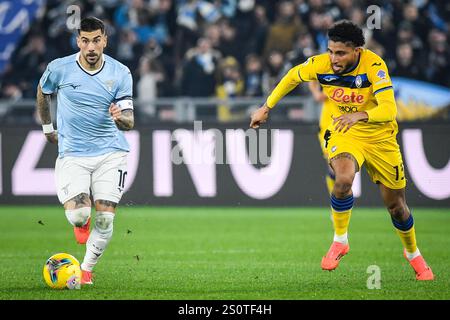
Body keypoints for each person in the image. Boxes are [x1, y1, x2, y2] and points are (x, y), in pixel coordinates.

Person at [250, 20, 433, 281]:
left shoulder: (374, 65)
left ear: (357, 50)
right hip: (345, 132)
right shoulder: (321, 64)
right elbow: (292, 76)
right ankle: (340, 240)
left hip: (380, 138)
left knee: (396, 206)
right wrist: (266, 107)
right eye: (331, 51)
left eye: (341, 53)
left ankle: (413, 253)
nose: (334, 59)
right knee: (343, 179)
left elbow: (389, 109)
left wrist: (360, 115)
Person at [36, 17, 134, 285]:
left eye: (96, 40)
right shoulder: (59, 68)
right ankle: (81, 222)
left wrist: (119, 118)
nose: (91, 47)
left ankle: (86, 270)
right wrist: (47, 127)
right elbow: (43, 91)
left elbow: (129, 122)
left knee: (104, 220)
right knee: (79, 214)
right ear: (78, 41)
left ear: (105, 41)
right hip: (74, 153)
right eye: (85, 40)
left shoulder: (120, 72)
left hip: (111, 153)